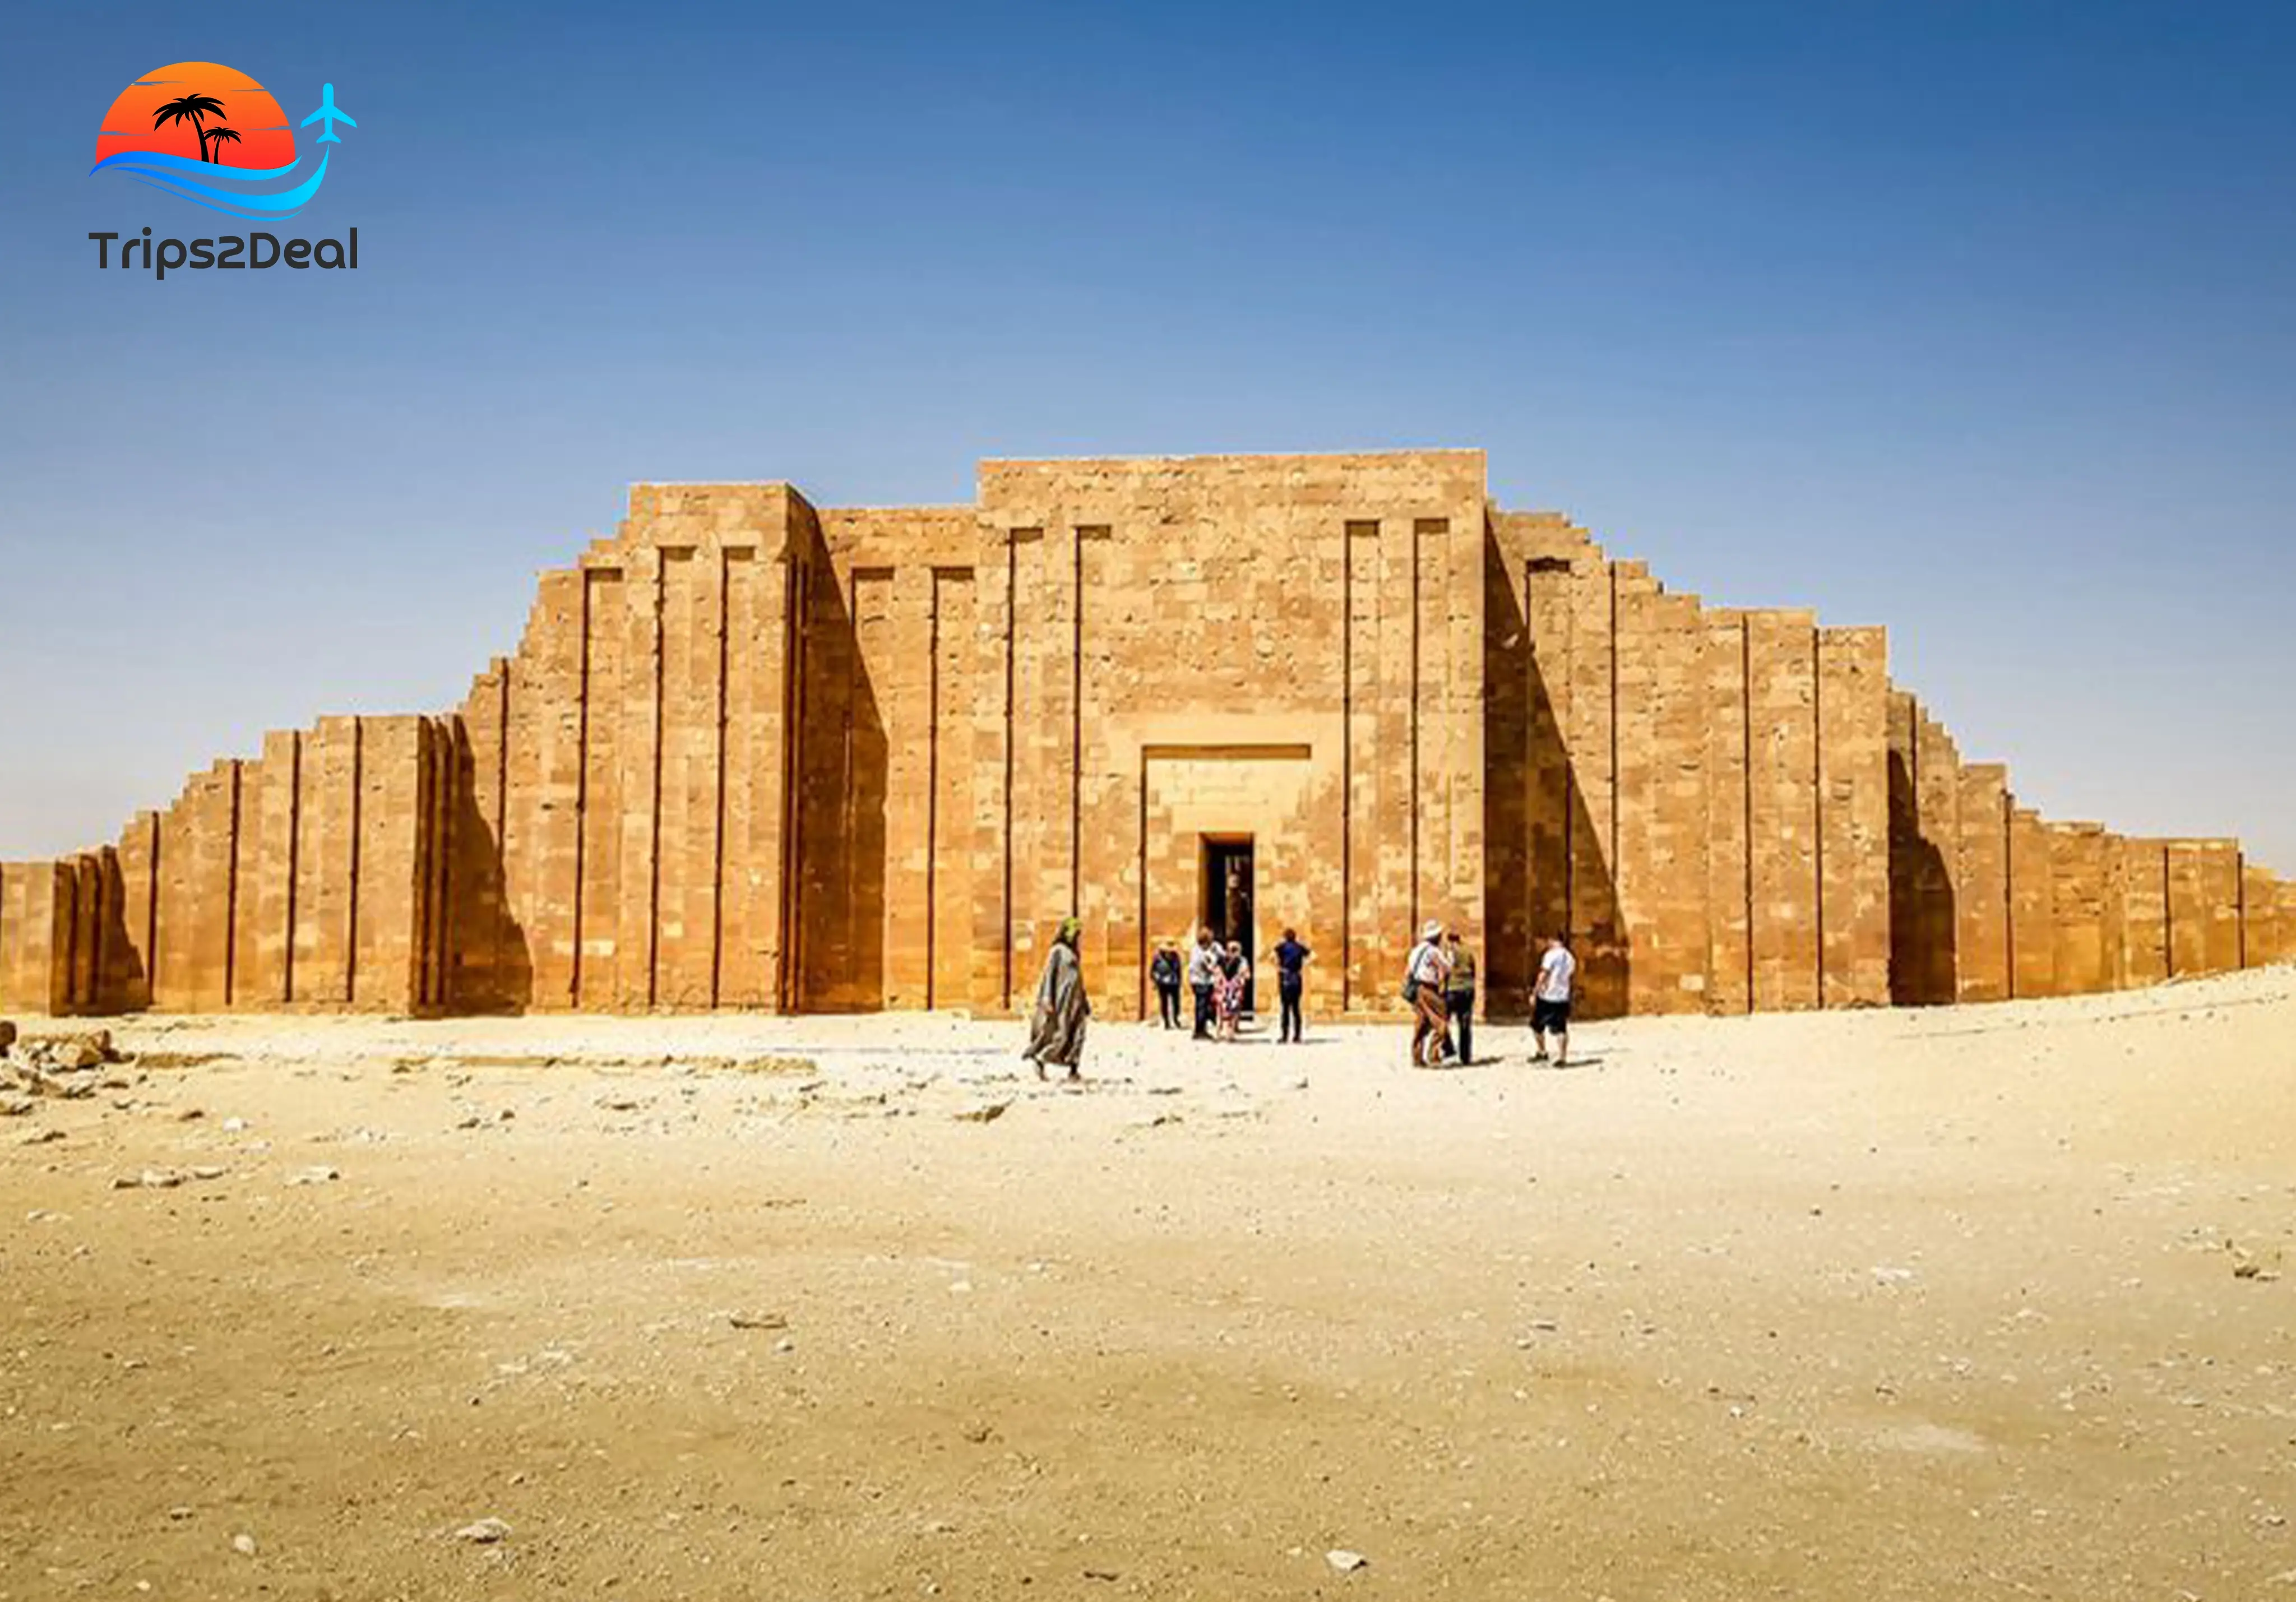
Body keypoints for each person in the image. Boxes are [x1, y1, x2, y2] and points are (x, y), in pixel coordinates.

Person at [1022, 916, 1091, 1082]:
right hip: (1062, 1000)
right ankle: (1041, 1058)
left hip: (1076, 1001)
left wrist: (1085, 1000)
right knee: (1061, 1033)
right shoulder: (1057, 951)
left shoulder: (1073, 953)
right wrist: (1046, 998)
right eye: (1075, 933)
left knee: (1079, 1033)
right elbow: (1048, 975)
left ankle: (1073, 1069)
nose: (1076, 937)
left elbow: (1077, 978)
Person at [1404, 919, 1453, 1068]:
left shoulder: (1416, 951)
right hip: (1428, 989)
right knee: (1442, 1018)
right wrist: (1450, 956)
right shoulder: (1433, 951)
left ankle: (1417, 1057)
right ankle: (1434, 1055)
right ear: (1437, 936)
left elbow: (1408, 972)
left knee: (1422, 1021)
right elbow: (1446, 968)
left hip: (1417, 989)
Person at [1531, 932, 1575, 1067]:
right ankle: (1562, 1057)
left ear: (1553, 940)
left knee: (1537, 1024)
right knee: (1561, 1027)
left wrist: (1535, 992)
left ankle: (1542, 1051)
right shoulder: (1570, 957)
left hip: (1548, 995)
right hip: (1562, 996)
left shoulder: (1551, 955)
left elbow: (1544, 974)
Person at [1443, 930, 1478, 1065]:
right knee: (1465, 1024)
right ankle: (1466, 1056)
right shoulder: (1468, 951)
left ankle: (1448, 1048)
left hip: (1453, 989)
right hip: (1468, 989)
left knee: (1442, 1021)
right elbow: (1473, 970)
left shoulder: (1449, 953)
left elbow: (1446, 970)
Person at [1271, 927, 1312, 1043]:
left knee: (1285, 1008)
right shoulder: (1299, 947)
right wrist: (1302, 967)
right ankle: (1297, 1036)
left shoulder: (1282, 947)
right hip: (1296, 978)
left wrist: (1279, 967)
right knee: (1296, 1008)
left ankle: (1285, 1036)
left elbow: (1271, 956)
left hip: (1286, 977)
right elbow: (1312, 955)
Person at [1186, 928, 1220, 1040]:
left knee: (1202, 1006)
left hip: (1196, 981)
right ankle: (1200, 1031)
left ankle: (1201, 1029)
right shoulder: (1201, 954)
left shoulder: (1196, 950)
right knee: (1202, 1007)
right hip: (1202, 982)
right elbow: (1208, 967)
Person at [1214, 940, 1251, 1042]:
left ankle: (1226, 1033)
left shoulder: (1237, 960)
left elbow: (1216, 972)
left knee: (1227, 1010)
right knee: (1226, 1010)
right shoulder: (1237, 961)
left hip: (1229, 988)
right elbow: (1247, 975)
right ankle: (1225, 1033)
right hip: (1228, 989)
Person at [1149, 941, 1183, 1029]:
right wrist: (1157, 979)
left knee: (1176, 1003)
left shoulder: (1176, 957)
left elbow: (1179, 970)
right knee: (1164, 1002)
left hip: (1174, 982)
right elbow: (1153, 971)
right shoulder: (1158, 958)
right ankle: (1166, 1021)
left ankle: (1176, 1019)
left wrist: (1179, 981)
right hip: (1163, 983)